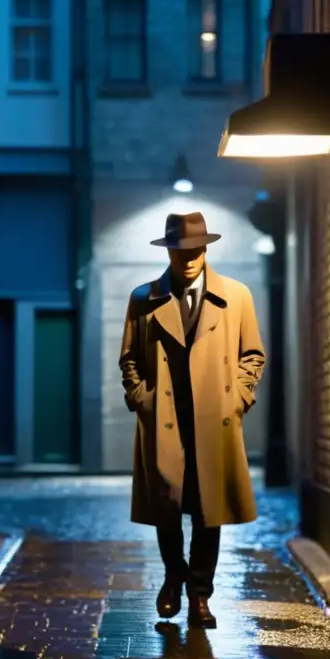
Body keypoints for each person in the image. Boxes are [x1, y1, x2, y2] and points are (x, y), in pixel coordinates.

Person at [118, 211, 266, 629]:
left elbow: (252, 354)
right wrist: (141, 398)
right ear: (168, 251)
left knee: (208, 511)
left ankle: (200, 596)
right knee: (166, 506)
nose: (187, 259)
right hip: (164, 416)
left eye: (195, 250)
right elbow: (129, 358)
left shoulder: (235, 296)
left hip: (213, 418)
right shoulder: (143, 297)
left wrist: (237, 397)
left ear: (206, 249)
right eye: (180, 250)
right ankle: (172, 575)